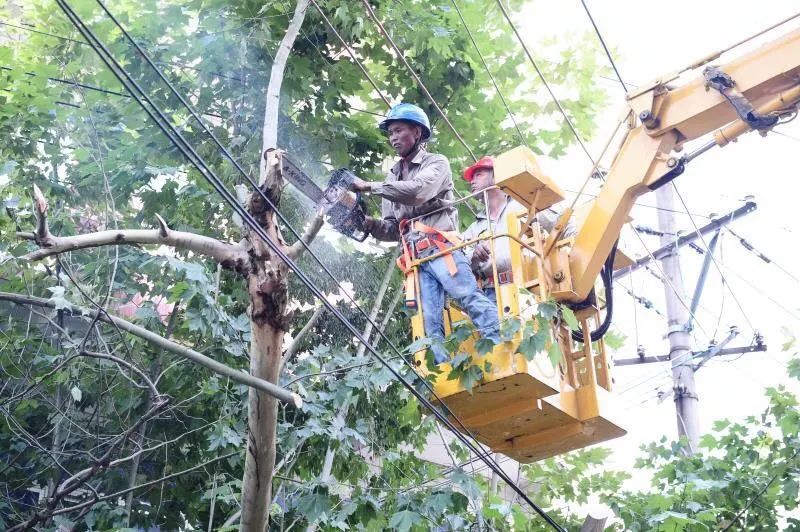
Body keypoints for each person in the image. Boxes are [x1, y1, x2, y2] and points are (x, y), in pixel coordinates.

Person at [347, 103, 501, 363]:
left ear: (417, 132)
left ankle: (502, 344)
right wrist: (368, 224)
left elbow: (419, 191)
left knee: (467, 296)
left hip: (441, 249)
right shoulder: (392, 177)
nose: (393, 138)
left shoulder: (436, 163)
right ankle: (441, 369)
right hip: (416, 259)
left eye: (399, 131)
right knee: (429, 322)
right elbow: (393, 228)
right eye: (390, 133)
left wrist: (368, 186)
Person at [461, 156, 576, 304]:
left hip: (530, 287)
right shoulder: (475, 228)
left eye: (478, 174)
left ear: (496, 176)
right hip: (490, 294)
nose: (472, 181)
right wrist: (475, 257)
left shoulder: (524, 204)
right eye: (471, 178)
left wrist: (577, 258)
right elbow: (461, 264)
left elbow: (563, 223)